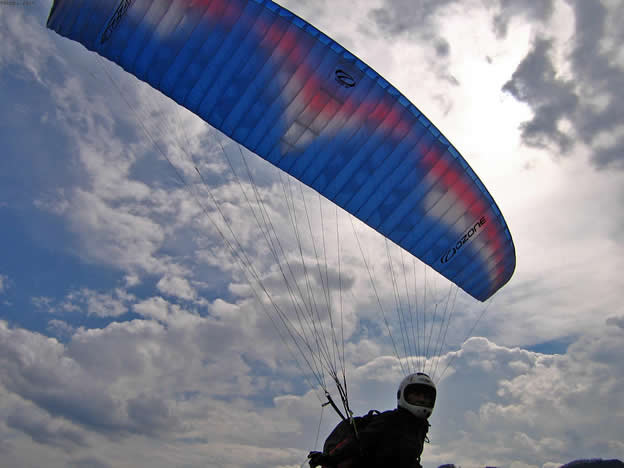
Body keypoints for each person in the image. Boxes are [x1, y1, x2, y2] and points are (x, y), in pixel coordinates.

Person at [308, 373, 436, 468]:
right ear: (402, 395)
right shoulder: (390, 419)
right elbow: (361, 441)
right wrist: (331, 458)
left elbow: (407, 460)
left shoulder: (418, 428)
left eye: (426, 397)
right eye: (416, 395)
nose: (421, 400)